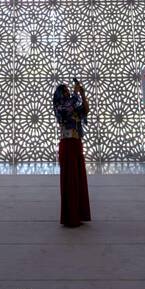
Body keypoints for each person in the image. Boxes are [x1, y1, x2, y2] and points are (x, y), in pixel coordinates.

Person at [52, 79, 91, 228]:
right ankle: (70, 217)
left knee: (78, 179)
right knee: (70, 180)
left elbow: (85, 110)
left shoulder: (72, 105)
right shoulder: (59, 106)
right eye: (66, 90)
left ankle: (79, 214)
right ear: (60, 93)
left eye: (69, 90)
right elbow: (66, 109)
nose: (68, 92)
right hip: (67, 145)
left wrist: (83, 94)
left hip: (76, 143)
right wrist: (76, 93)